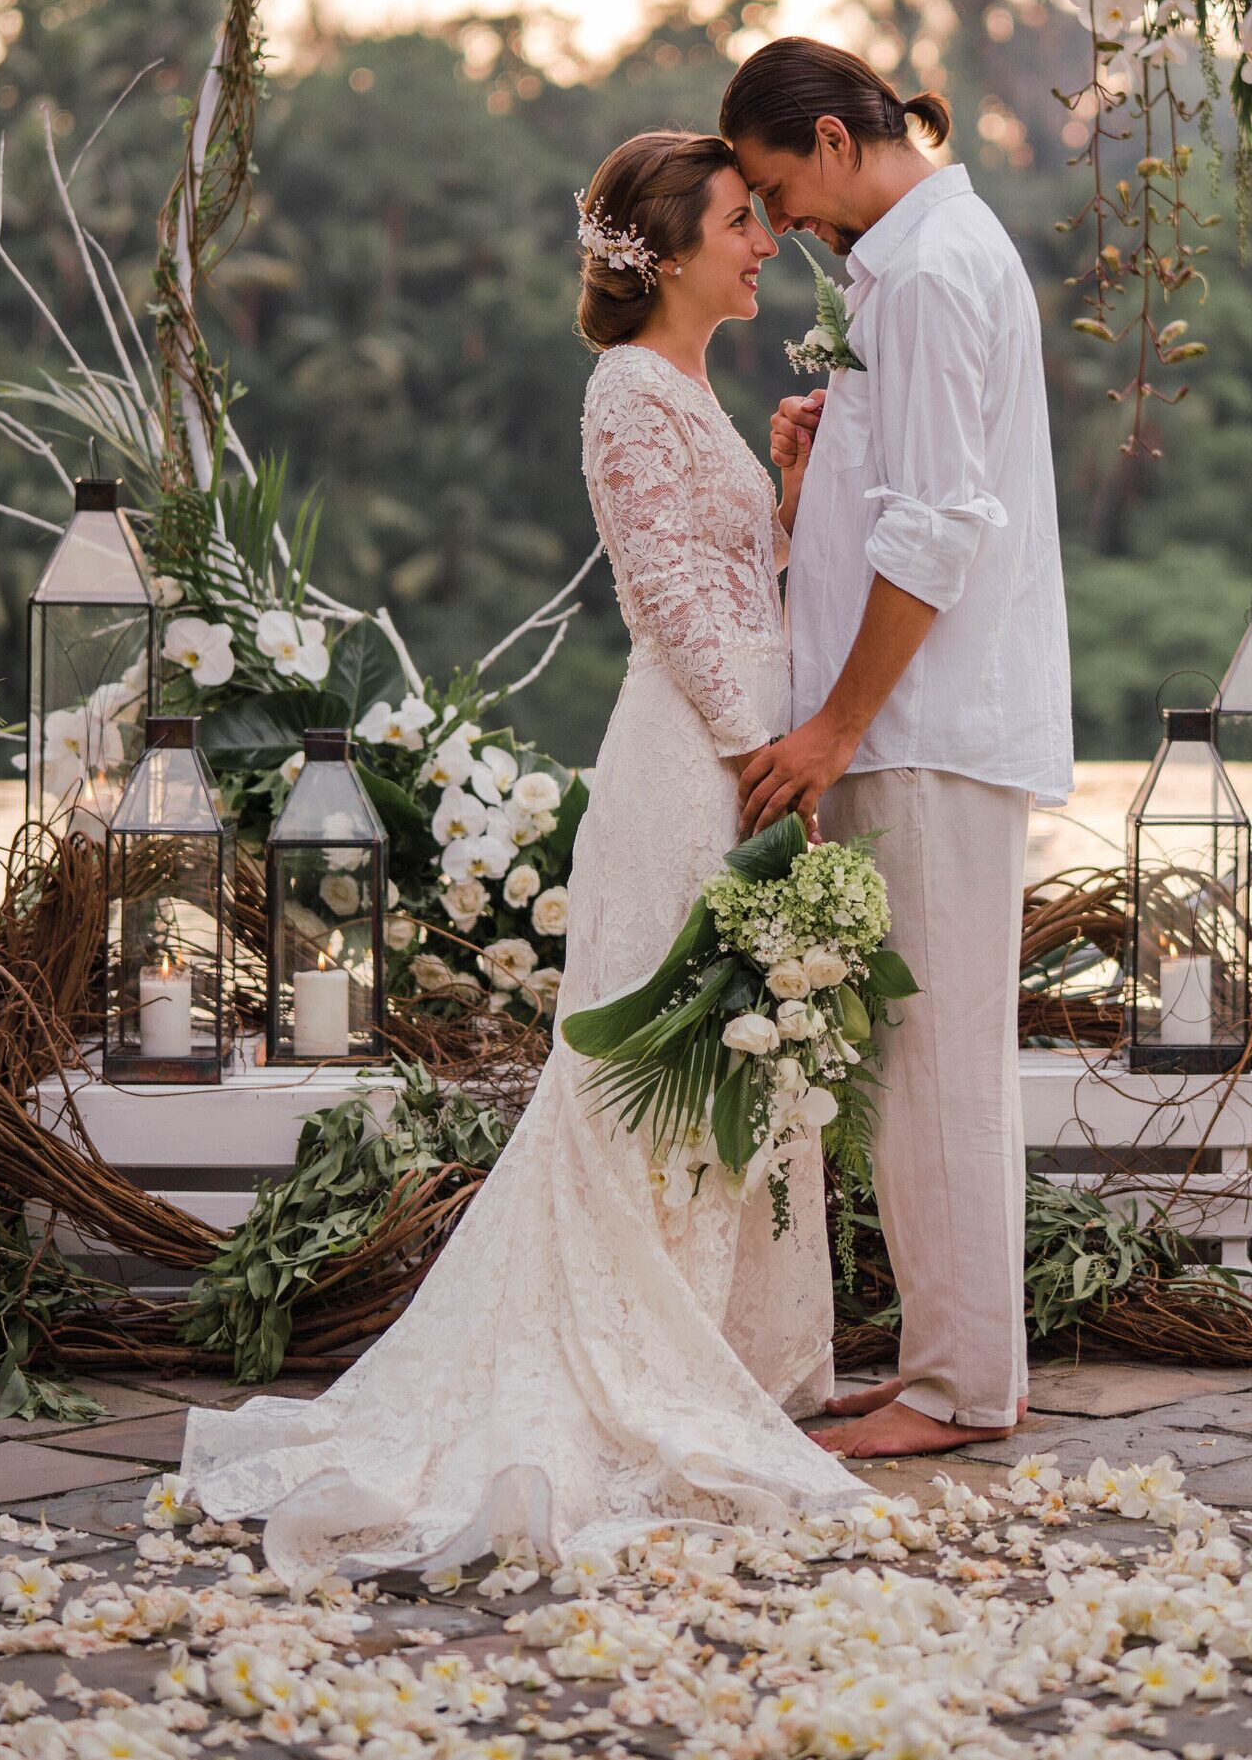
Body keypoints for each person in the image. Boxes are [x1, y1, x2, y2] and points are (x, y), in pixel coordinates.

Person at [171, 131, 868, 1579]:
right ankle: (634, 1363)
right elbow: (668, 599)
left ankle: (721, 1354)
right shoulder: (625, 391)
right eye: (743, 221)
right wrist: (763, 762)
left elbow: (743, 577)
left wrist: (787, 489)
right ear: (669, 253)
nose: (763, 242)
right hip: (695, 765)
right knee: (653, 1060)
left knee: (730, 1047)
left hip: (739, 745)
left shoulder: (690, 391)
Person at [724, 37, 1071, 1462]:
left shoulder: (926, 272)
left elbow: (939, 529)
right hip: (926, 721)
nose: (778, 222)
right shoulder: (914, 259)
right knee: (938, 1057)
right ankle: (963, 1361)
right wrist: (827, 451)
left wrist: (832, 728)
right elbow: (912, 493)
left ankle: (959, 1387)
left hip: (920, 730)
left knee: (933, 1058)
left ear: (827, 133)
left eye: (773, 187)